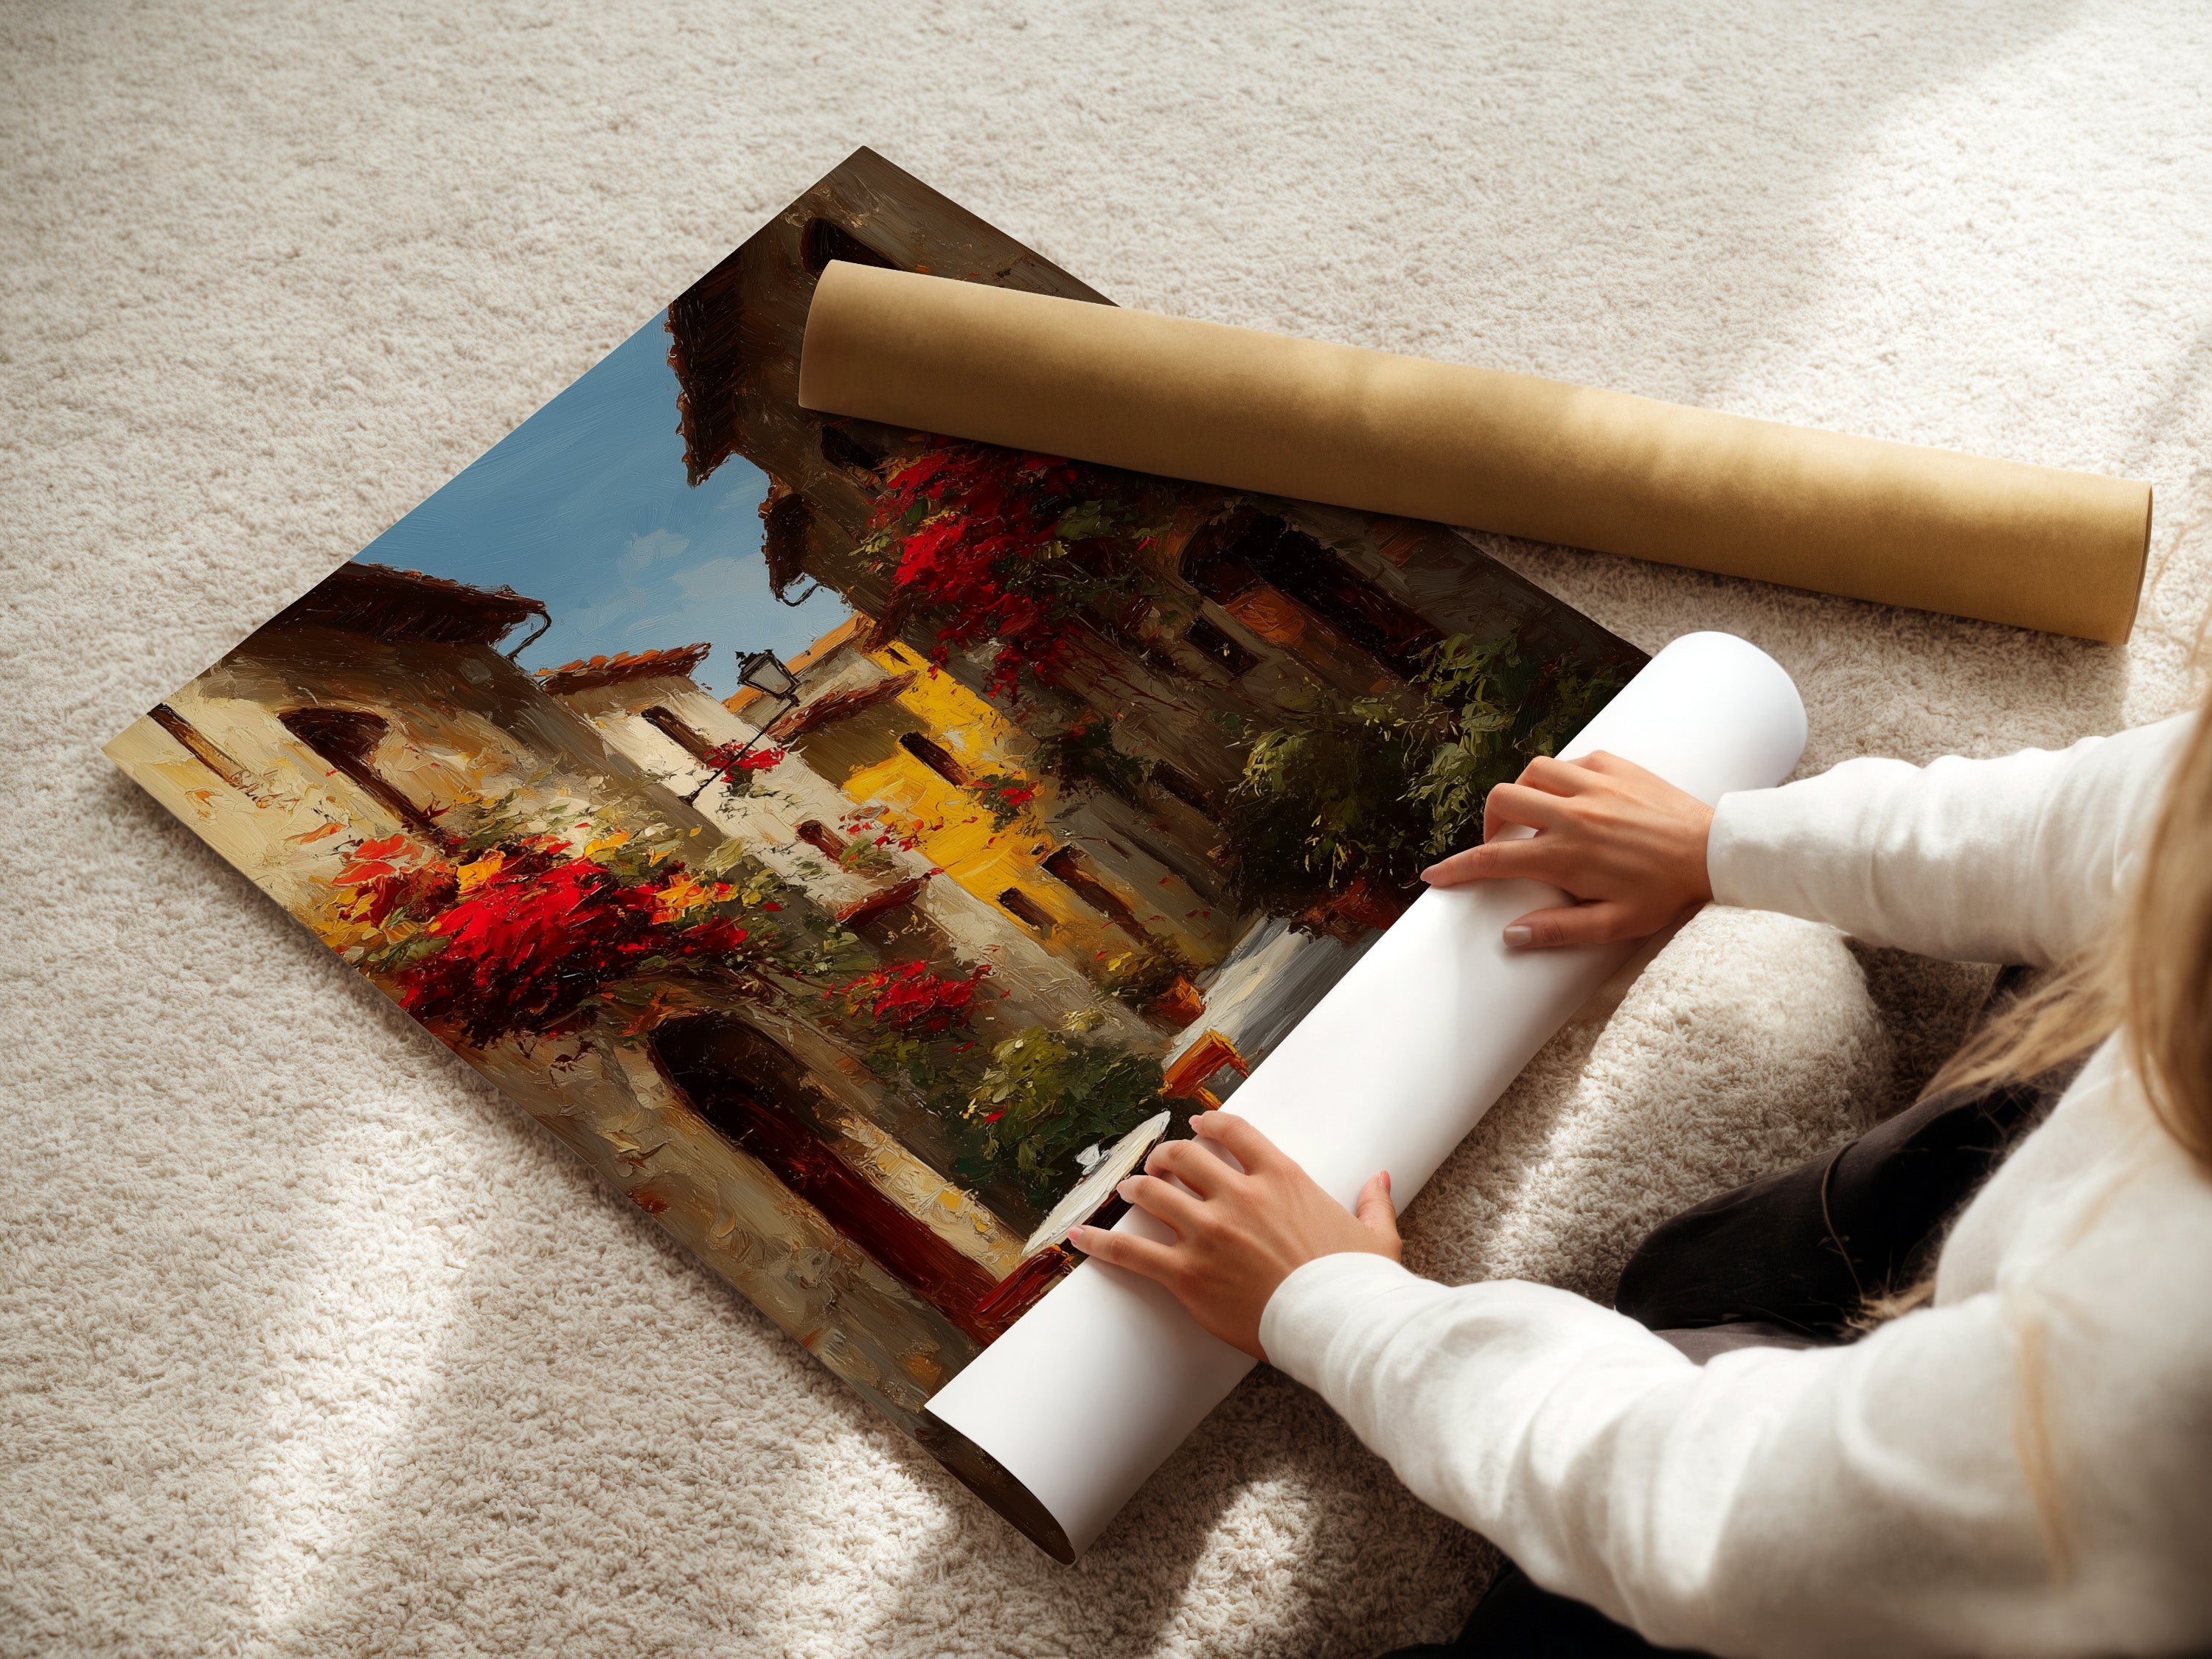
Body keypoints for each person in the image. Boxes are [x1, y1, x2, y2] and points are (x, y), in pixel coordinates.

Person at [1070, 703, 2212, 1657]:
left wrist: (1337, 1306)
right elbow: (2126, 818)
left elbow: (1721, 1513)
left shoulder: (2157, 1374)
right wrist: (1720, 841)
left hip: (2048, 1552)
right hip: (2047, 1338)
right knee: (1706, 1275)